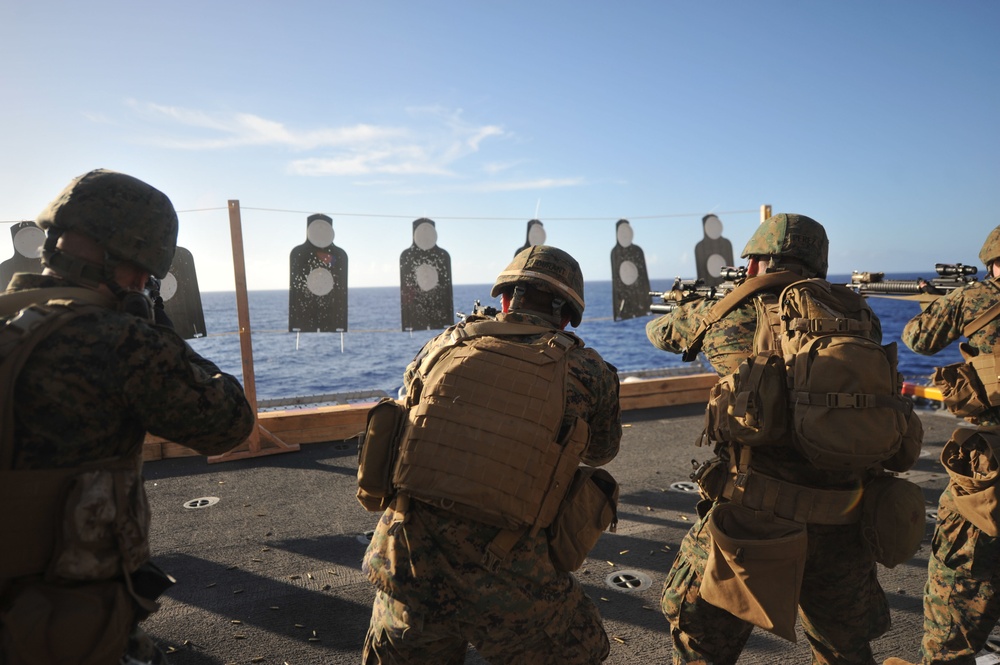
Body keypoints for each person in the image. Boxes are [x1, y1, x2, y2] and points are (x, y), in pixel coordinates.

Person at [0, 169, 255, 664]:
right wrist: (157, 326)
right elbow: (229, 423)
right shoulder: (120, 341)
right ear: (137, 267)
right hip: (60, 619)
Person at [647, 213, 896, 665]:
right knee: (844, 652)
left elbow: (660, 333)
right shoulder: (859, 317)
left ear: (754, 263)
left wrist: (701, 302)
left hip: (753, 522)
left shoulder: (726, 311)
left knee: (702, 646)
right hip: (845, 518)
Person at [362, 245, 622, 664]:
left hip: (408, 566)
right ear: (565, 314)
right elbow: (602, 450)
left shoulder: (443, 345)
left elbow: (407, 407)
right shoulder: (588, 371)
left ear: (504, 299)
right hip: (513, 583)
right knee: (585, 648)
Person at [884, 226, 1000, 665]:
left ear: (992, 262)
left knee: (955, 595)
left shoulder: (975, 298)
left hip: (988, 475)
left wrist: (941, 303)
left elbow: (918, 338)